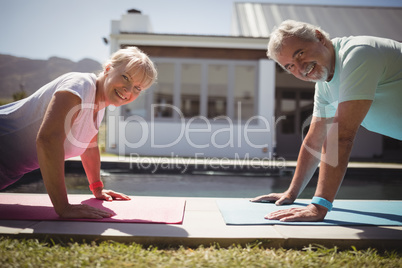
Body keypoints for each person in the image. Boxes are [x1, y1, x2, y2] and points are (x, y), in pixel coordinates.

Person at [251, 20, 402, 222]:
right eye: (290, 66)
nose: (300, 68)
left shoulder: (359, 54)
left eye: (300, 54)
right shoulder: (324, 84)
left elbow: (342, 136)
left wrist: (319, 205)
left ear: (319, 37)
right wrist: (290, 193)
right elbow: (314, 141)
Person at [0, 47, 157, 219]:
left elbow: (89, 147)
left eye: (137, 88)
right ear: (108, 69)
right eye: (126, 77)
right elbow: (48, 140)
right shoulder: (80, 85)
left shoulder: (99, 106)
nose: (128, 90)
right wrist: (63, 207)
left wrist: (97, 188)